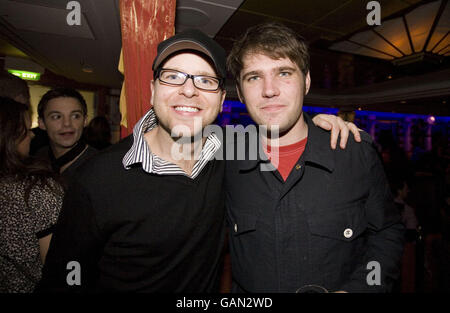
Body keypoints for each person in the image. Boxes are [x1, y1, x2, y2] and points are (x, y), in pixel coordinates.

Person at [36, 29, 359, 292]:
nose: (189, 91)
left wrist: (322, 124)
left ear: (220, 100)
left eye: (205, 80)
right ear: (152, 90)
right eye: (173, 76)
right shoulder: (97, 179)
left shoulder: (231, 153)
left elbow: (285, 132)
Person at [225, 22, 405, 293]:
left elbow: (387, 233)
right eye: (253, 77)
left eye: (284, 73)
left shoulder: (354, 153)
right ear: (239, 91)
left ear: (306, 82)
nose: (269, 90)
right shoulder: (224, 160)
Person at [0, 97, 64, 292]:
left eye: (75, 115)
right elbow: (60, 267)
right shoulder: (35, 189)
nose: (32, 135)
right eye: (27, 130)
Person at [36, 88, 97, 180]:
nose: (67, 123)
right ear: (42, 123)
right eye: (56, 117)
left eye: (75, 116)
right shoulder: (38, 160)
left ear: (85, 121)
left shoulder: (99, 165)